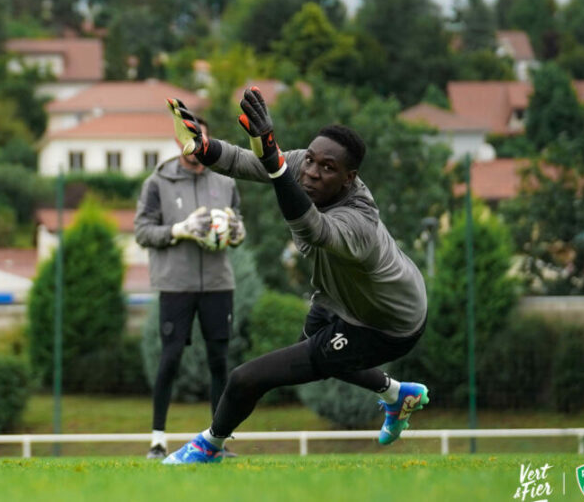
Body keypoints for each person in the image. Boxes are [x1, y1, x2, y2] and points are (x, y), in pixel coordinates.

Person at [161, 88, 430, 464]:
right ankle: (396, 393)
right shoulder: (305, 163)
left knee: (245, 378)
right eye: (310, 161)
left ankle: (209, 445)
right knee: (311, 348)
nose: (312, 173)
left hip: (387, 324)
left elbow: (311, 227)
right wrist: (203, 147)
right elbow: (247, 161)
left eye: (327, 168)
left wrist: (273, 161)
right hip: (338, 297)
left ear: (349, 179)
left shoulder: (359, 224)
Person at [134, 115, 246, 460]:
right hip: (175, 285)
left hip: (217, 284)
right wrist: (179, 230)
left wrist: (237, 233)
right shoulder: (158, 182)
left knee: (219, 361)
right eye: (190, 139)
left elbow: (237, 222)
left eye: (201, 140)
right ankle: (157, 440)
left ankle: (218, 442)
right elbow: (142, 232)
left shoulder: (224, 181)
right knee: (169, 359)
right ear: (178, 140)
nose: (196, 146)